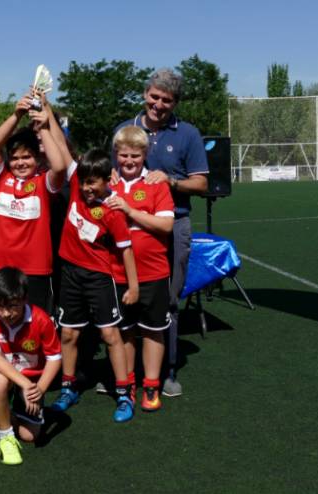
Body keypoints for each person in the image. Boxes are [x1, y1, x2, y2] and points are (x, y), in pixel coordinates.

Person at [113, 69, 208, 396]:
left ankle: (167, 372)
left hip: (172, 223)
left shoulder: (188, 133)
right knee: (124, 298)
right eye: (154, 97)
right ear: (145, 95)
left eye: (166, 100)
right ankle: (125, 375)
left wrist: (171, 181)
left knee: (168, 299)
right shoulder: (124, 129)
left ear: (175, 102)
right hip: (126, 227)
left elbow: (202, 183)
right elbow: (111, 171)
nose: (158, 104)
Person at [50, 149, 139, 423]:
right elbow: (62, 148)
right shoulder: (77, 189)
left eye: (93, 182)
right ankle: (68, 388)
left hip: (98, 277)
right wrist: (44, 123)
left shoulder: (112, 210)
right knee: (68, 334)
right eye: (84, 182)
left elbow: (126, 250)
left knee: (110, 334)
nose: (87, 188)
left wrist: (133, 287)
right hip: (70, 274)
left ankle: (124, 393)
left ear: (106, 180)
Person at [107, 126, 175, 412]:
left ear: (145, 154)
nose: (129, 161)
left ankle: (151, 385)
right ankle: (128, 384)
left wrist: (130, 211)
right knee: (124, 331)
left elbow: (166, 225)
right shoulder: (108, 183)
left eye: (135, 155)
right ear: (116, 154)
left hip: (153, 271)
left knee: (153, 330)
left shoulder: (156, 184)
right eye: (123, 155)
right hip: (117, 272)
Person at [0, 91, 69, 313]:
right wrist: (17, 115)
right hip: (0, 267)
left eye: (27, 157)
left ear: (37, 159)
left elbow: (60, 166)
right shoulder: (0, 178)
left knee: (36, 325)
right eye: (14, 158)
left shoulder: (43, 183)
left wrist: (44, 128)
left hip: (35, 269)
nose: (20, 163)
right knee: (2, 321)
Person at [0, 267, 61, 465]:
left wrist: (39, 389)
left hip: (33, 379)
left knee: (29, 436)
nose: (7, 313)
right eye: (0, 306)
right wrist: (26, 385)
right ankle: (6, 437)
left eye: (13, 306)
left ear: (25, 299)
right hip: (9, 377)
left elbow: (55, 358)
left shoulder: (41, 319)